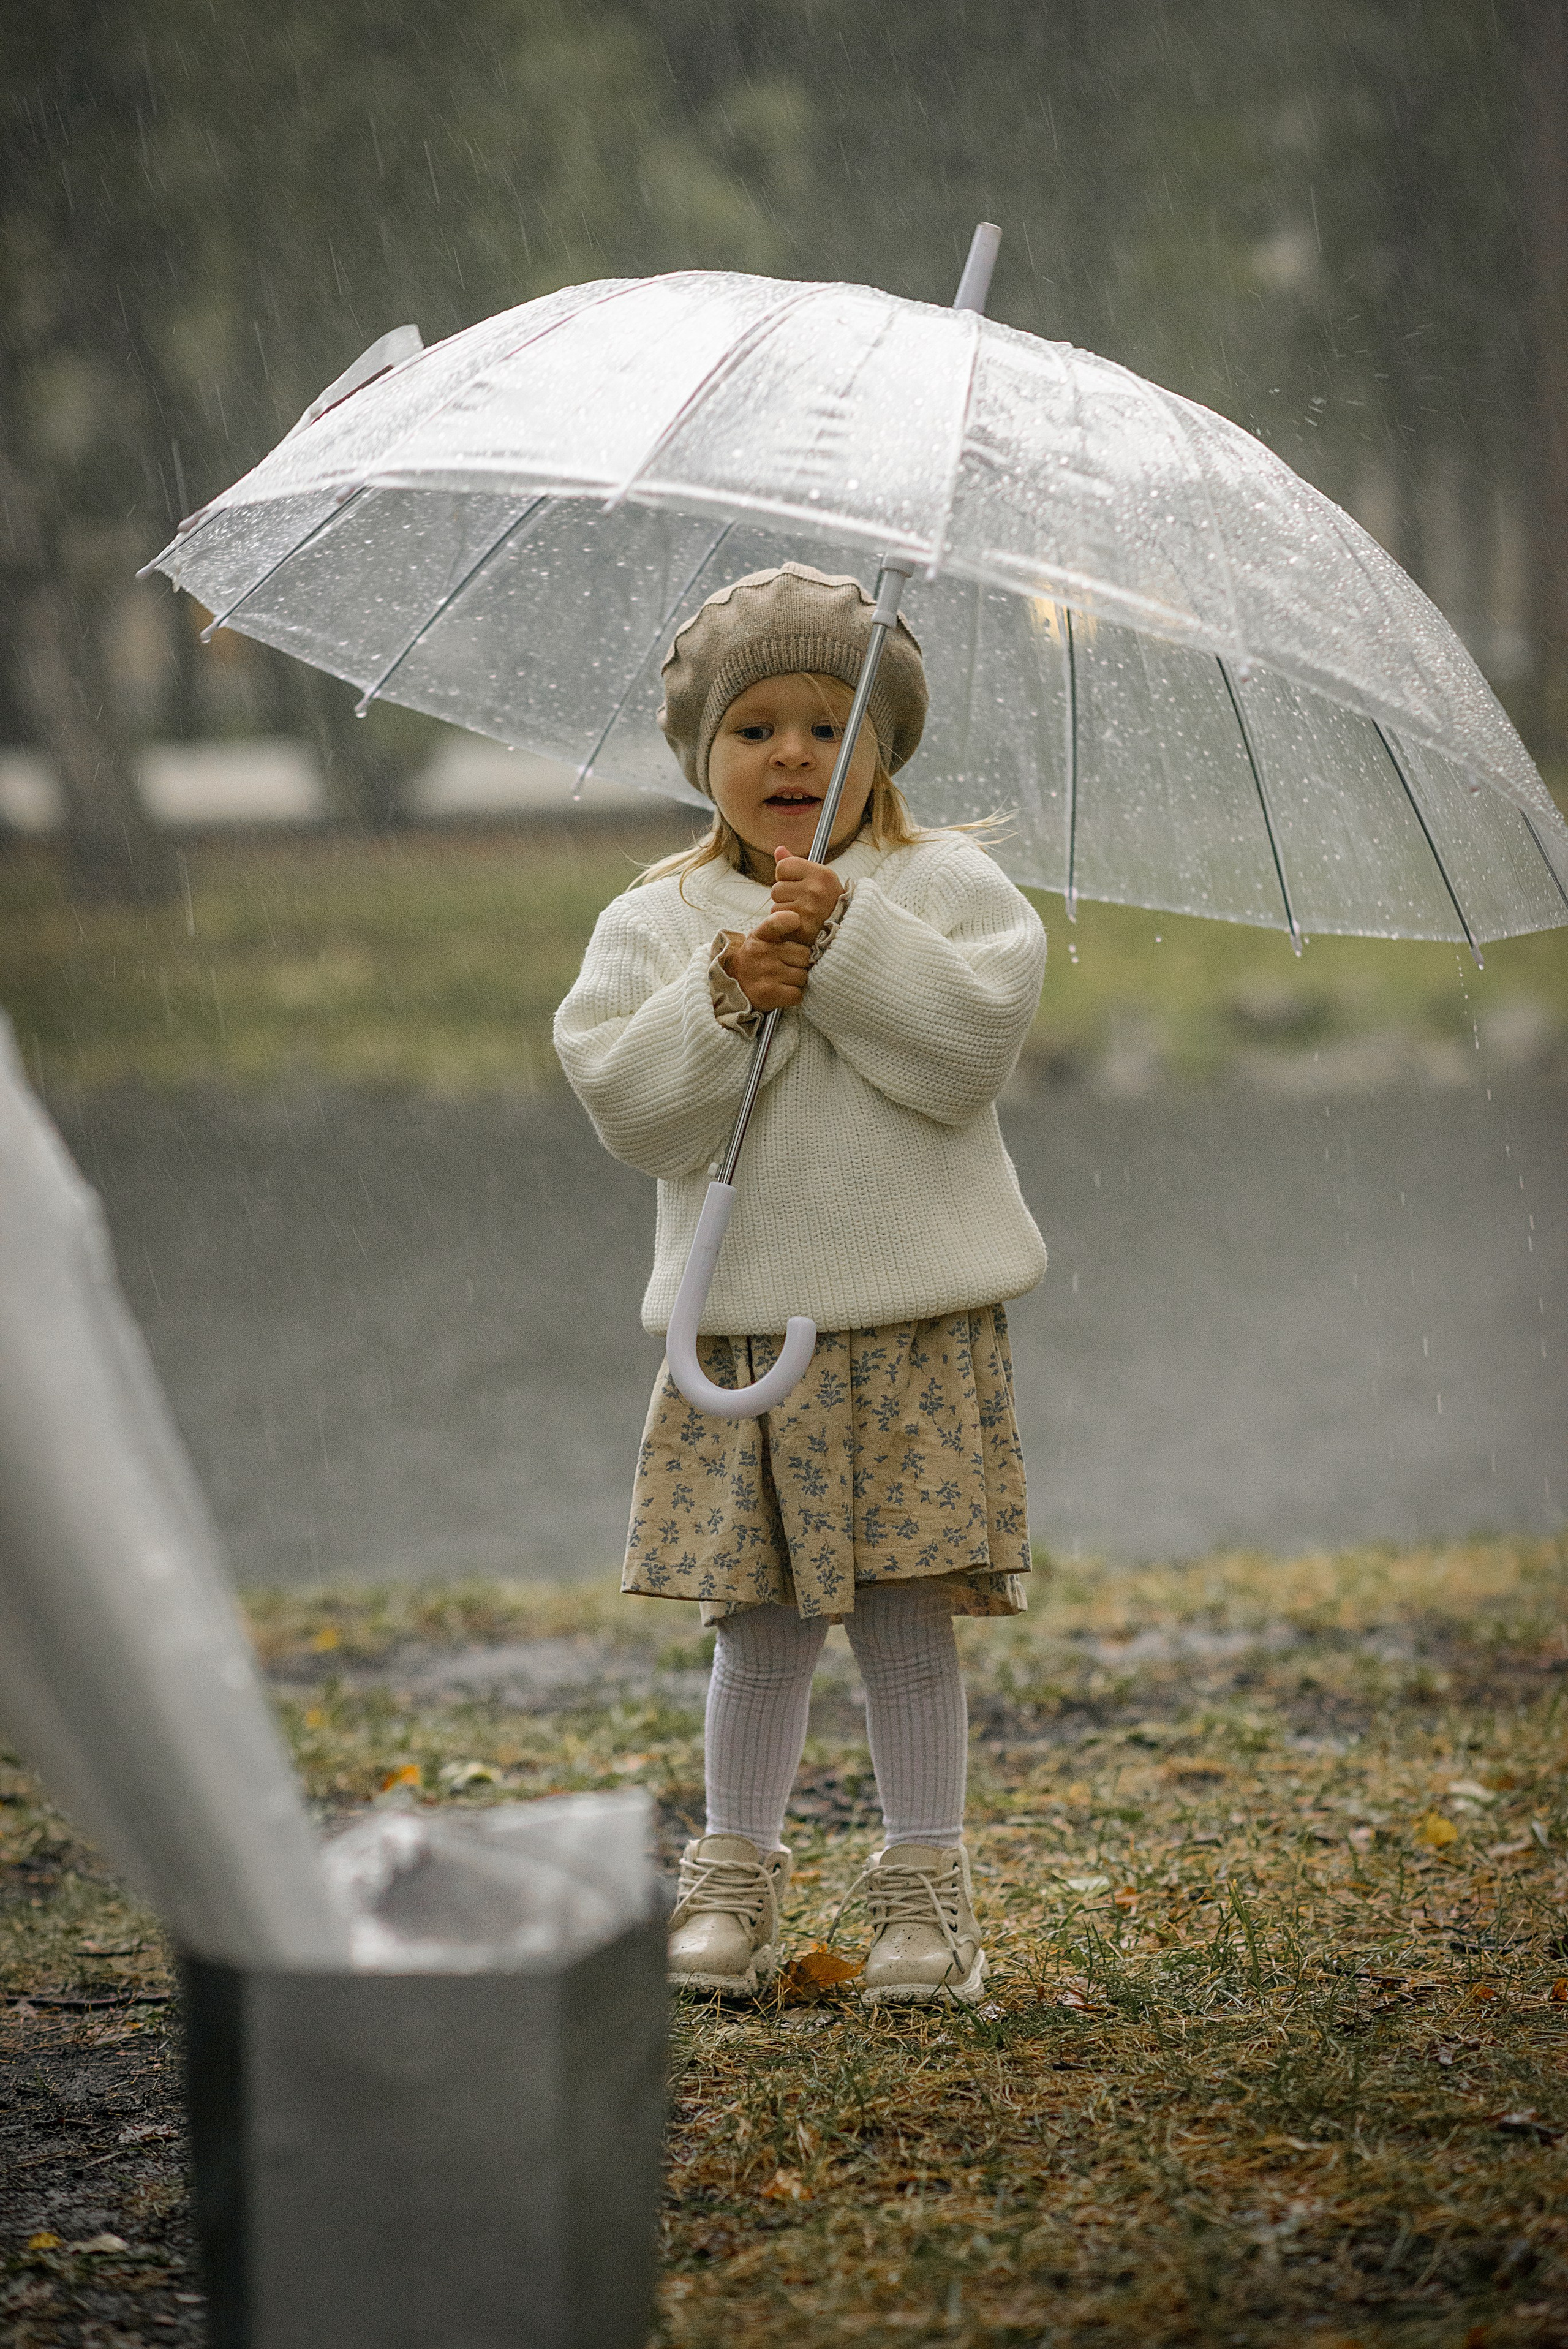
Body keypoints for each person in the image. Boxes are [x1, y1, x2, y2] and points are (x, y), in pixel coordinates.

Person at [554, 563, 1047, 2004]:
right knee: (757, 1621)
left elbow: (960, 1057)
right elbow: (635, 1113)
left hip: (909, 1327)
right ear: (699, 752)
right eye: (754, 726)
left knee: (903, 1618)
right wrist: (726, 995)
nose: (791, 754)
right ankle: (732, 1878)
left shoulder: (944, 891)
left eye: (830, 726)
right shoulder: (656, 919)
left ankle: (925, 1893)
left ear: (882, 747)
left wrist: (843, 939)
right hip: (742, 1329)